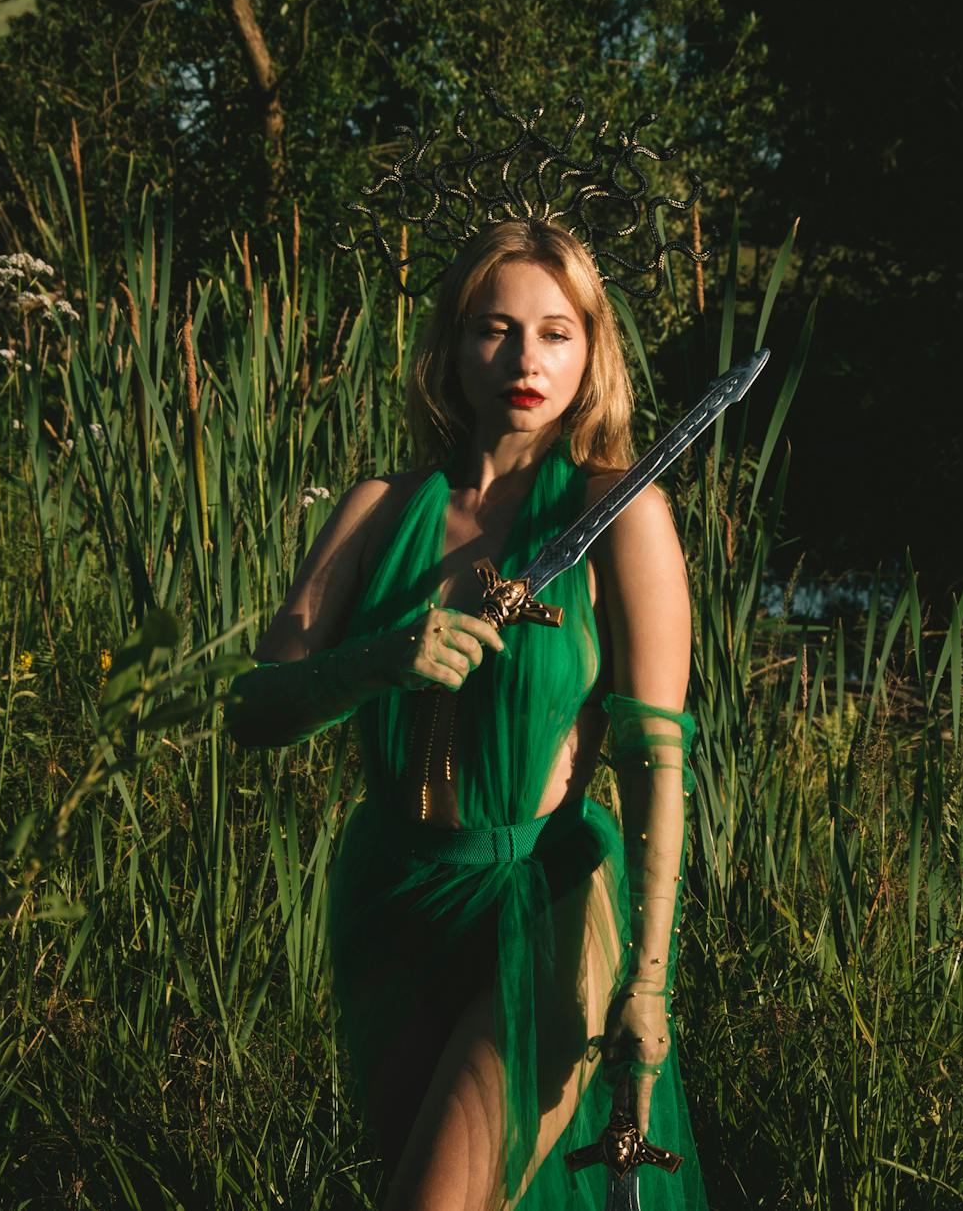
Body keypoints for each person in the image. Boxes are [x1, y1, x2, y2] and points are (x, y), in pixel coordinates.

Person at [228, 219, 708, 1210]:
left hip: (548, 897)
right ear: (450, 345)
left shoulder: (619, 513)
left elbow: (656, 758)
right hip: (391, 900)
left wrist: (648, 981)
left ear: (591, 347)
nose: (525, 360)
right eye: (494, 329)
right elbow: (253, 708)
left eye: (555, 331)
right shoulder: (375, 508)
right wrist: (375, 661)